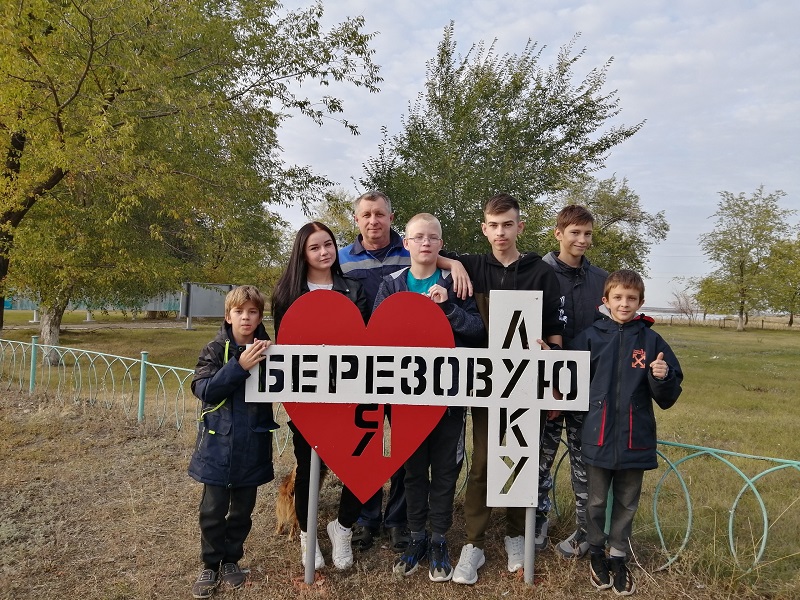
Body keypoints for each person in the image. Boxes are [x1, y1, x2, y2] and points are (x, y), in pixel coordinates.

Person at [438, 193, 564, 585]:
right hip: (485, 384)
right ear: (484, 228)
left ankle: (515, 535)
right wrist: (453, 263)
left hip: (527, 384)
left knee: (520, 460)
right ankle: (473, 542)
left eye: (507, 224)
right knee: (483, 463)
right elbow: (429, 251)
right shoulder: (473, 267)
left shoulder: (541, 272)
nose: (500, 232)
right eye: (493, 225)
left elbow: (556, 329)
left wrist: (553, 357)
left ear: (519, 226)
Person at [339, 191, 472, 553]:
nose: (372, 220)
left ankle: (412, 526)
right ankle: (375, 521)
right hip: (384, 375)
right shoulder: (353, 265)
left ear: (391, 218)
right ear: (357, 219)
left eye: (379, 213)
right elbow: (376, 324)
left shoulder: (437, 270)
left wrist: (453, 273)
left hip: (441, 386)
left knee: (426, 462)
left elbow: (474, 326)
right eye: (365, 214)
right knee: (379, 450)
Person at [373, 213, 485, 582]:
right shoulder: (392, 284)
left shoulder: (455, 282)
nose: (425, 243)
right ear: (405, 243)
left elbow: (477, 329)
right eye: (418, 237)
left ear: (440, 244)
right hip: (404, 397)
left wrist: (447, 308)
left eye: (432, 238)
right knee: (413, 472)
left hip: (449, 395)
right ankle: (415, 536)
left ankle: (439, 539)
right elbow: (376, 334)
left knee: (445, 471)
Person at [570, 269, 683, 596]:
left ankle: (618, 555)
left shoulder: (651, 341)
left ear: (640, 302)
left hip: (636, 438)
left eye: (631, 298)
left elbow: (668, 396)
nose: (624, 304)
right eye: (617, 297)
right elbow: (568, 376)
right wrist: (550, 359)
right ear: (605, 300)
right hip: (598, 435)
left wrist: (661, 376)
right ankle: (595, 553)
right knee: (596, 501)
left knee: (627, 502)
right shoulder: (590, 337)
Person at [271, 221, 369, 571]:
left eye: (328, 244)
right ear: (303, 253)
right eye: (315, 247)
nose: (324, 252)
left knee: (361, 467)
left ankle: (341, 527)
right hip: (307, 396)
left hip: (350, 394)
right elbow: (285, 347)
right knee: (310, 467)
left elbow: (365, 341)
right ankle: (307, 538)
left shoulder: (354, 289)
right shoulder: (287, 294)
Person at [189, 285, 278, 598]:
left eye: (253, 312)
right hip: (216, 446)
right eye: (239, 311)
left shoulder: (271, 352)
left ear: (260, 316)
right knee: (212, 511)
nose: (246, 317)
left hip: (252, 446)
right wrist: (239, 367)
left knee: (241, 512)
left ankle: (231, 561)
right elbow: (204, 389)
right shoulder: (213, 350)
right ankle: (210, 564)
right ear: (228, 315)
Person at [538, 205, 608, 558]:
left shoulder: (602, 280)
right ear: (559, 234)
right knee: (540, 459)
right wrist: (547, 384)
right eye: (575, 232)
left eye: (587, 233)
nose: (581, 240)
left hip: (590, 388)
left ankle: (586, 531)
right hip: (546, 387)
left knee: (586, 462)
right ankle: (535, 521)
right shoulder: (539, 273)